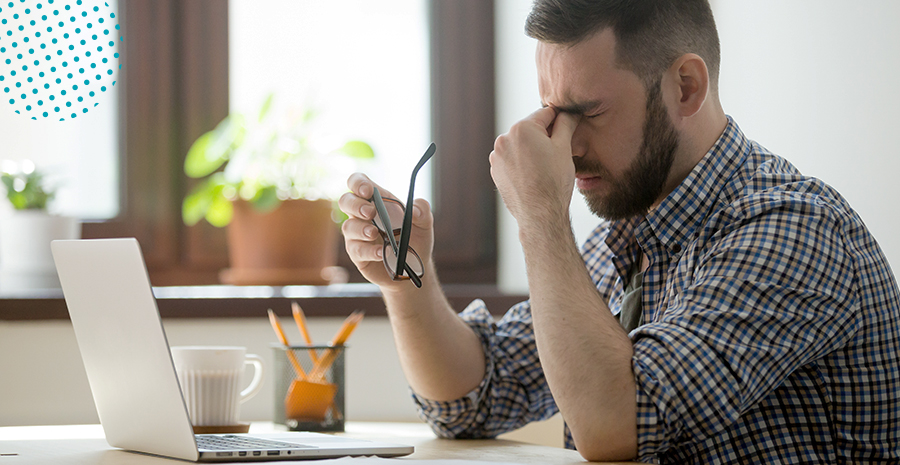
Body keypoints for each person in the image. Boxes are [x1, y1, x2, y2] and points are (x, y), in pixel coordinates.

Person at [339, 0, 900, 462]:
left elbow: (618, 425)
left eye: (589, 112)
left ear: (685, 87)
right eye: (553, 113)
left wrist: (540, 214)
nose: (568, 145)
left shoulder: (793, 229)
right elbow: (473, 398)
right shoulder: (626, 238)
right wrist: (405, 286)